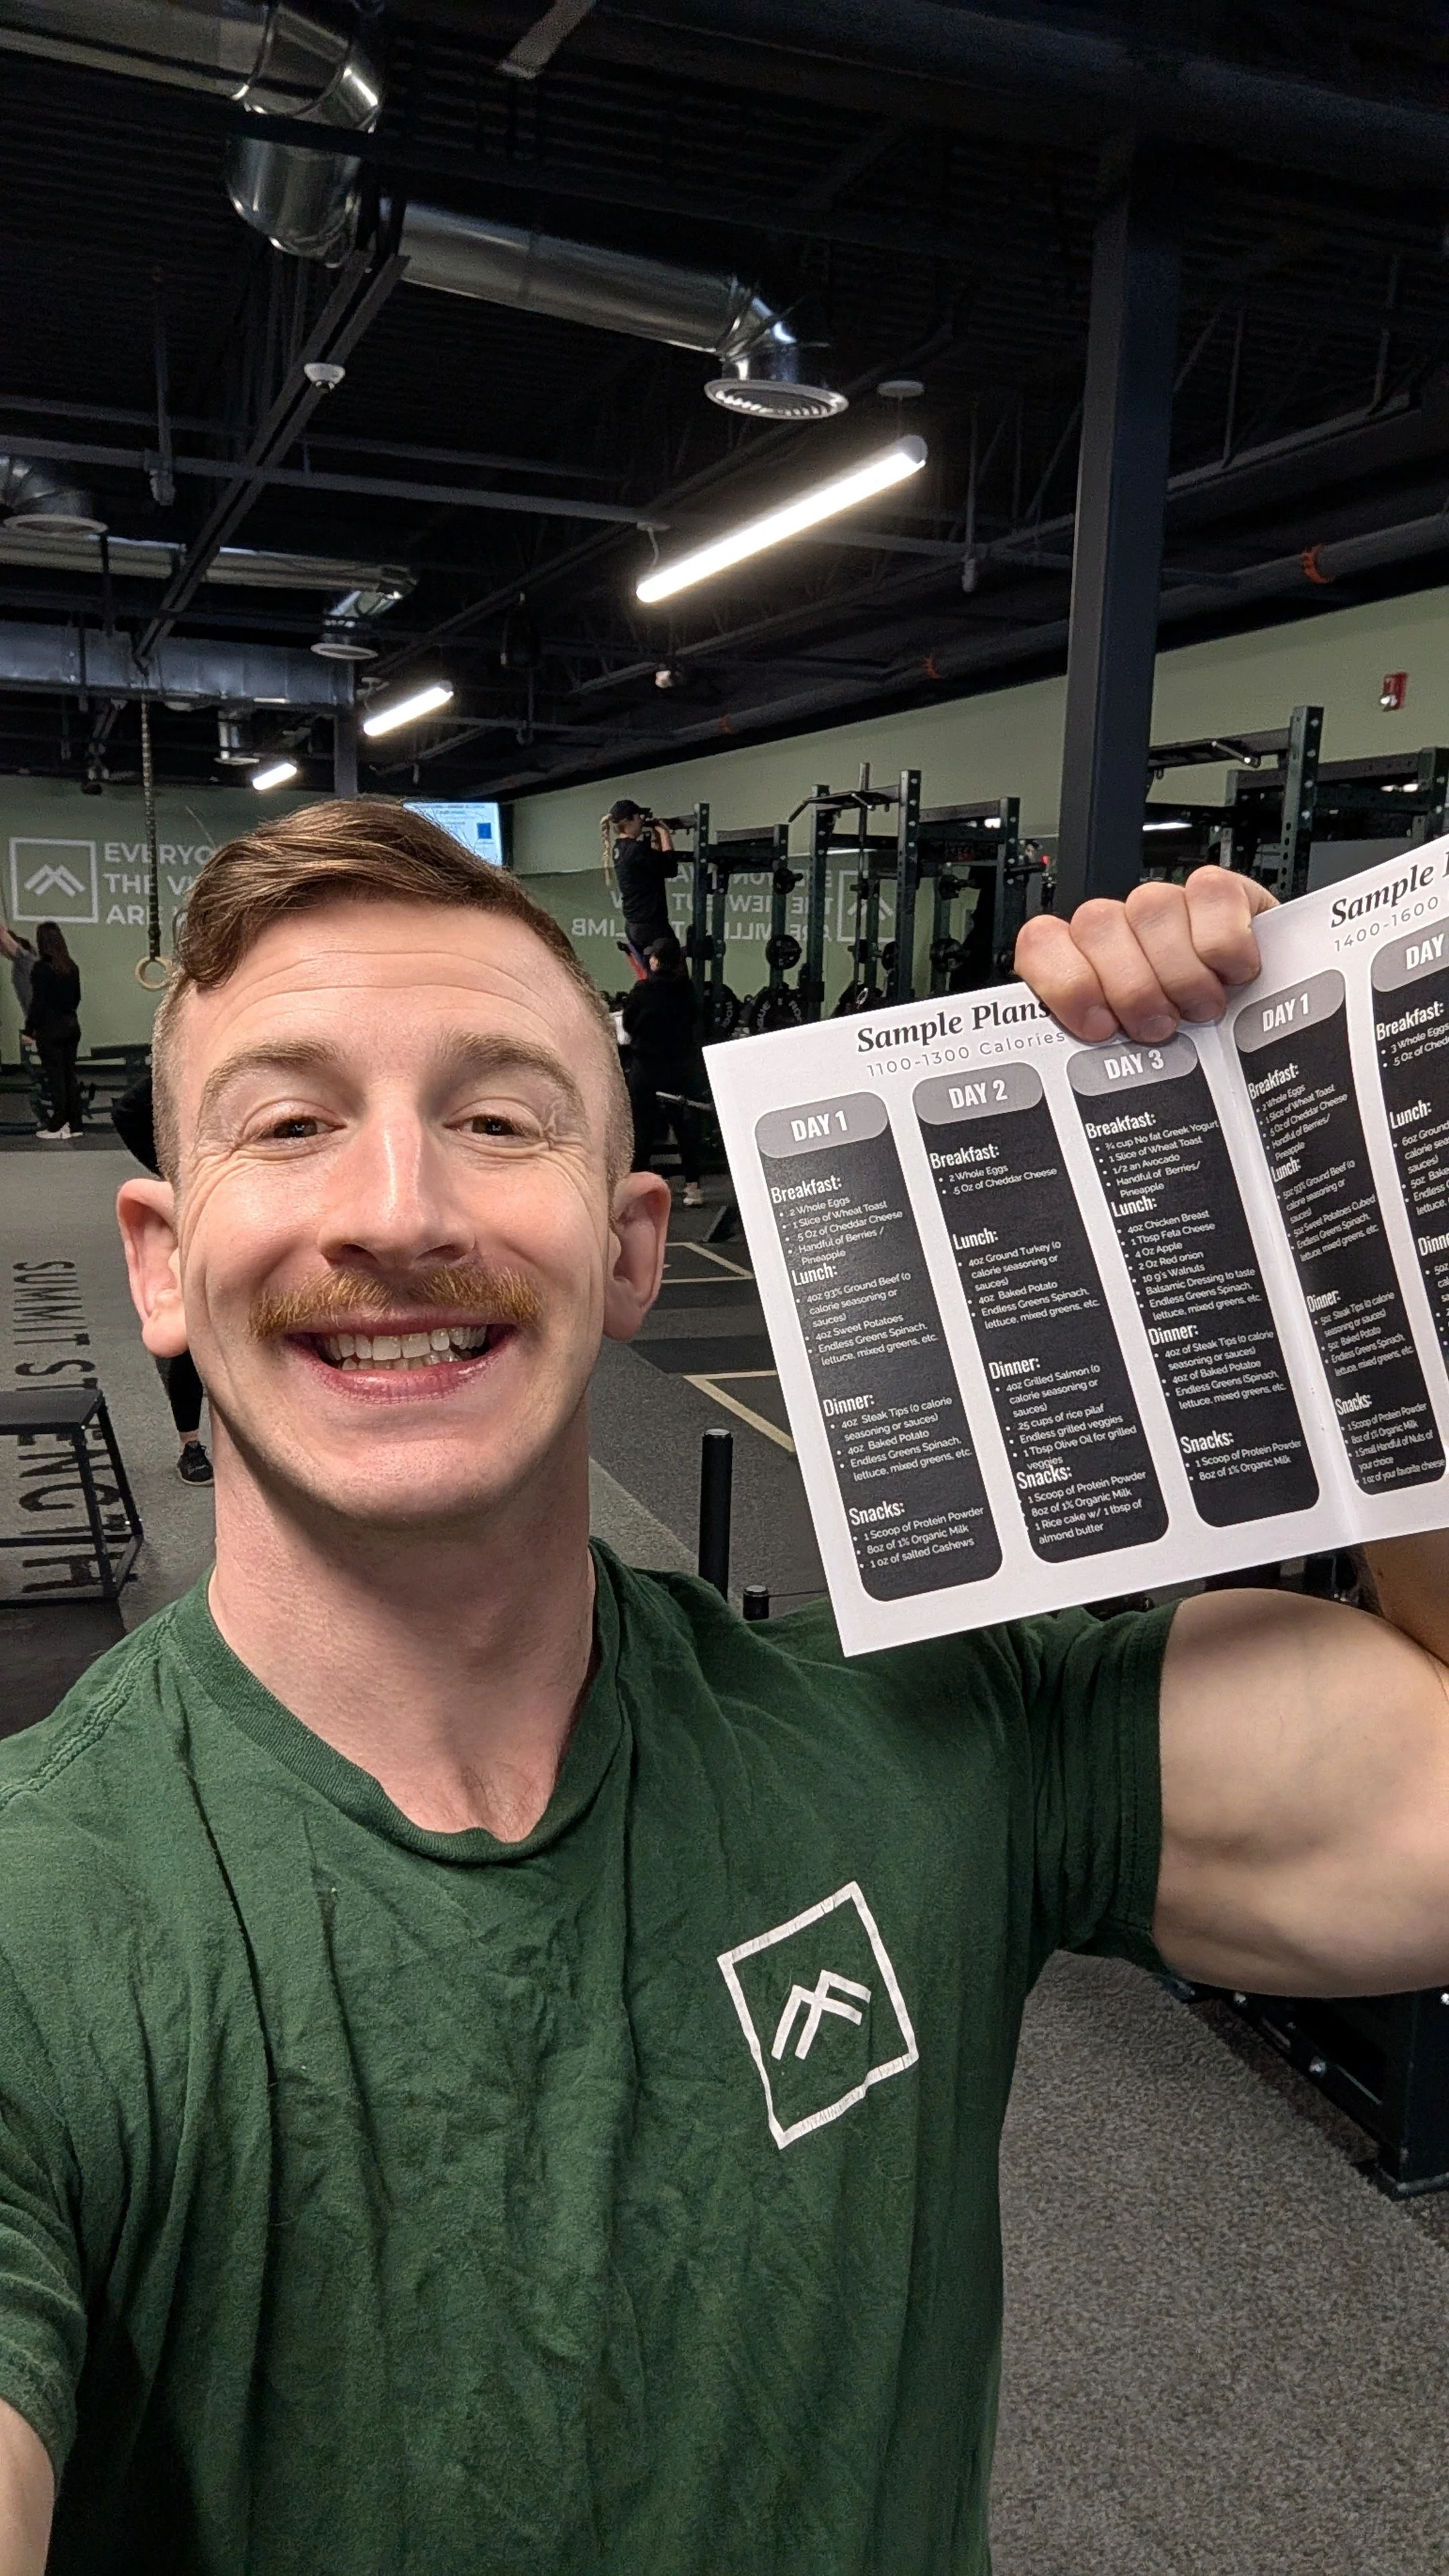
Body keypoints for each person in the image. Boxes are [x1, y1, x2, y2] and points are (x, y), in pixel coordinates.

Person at [2, 814, 1449, 2575]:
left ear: (628, 1248)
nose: (397, 1209)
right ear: (158, 1258)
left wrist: (1342, 1149)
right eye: (294, 1123)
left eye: (497, 1118)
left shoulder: (922, 1740)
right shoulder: (37, 1925)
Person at [111, 1069, 214, 1486]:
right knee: (189, 1335)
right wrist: (179, 1175)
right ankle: (190, 1444)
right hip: (197, 1207)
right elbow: (128, 1112)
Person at [621, 930, 708, 1207]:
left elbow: (628, 1025)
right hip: (679, 1070)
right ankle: (693, 1187)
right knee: (683, 1127)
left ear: (656, 962)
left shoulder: (643, 991)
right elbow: (694, 1021)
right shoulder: (687, 992)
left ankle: (638, 1192)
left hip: (647, 1070)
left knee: (642, 1128)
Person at [22, 919, 83, 1140]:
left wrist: (29, 1031)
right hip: (71, 1026)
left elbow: (38, 1002)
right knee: (69, 1076)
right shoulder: (71, 967)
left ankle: (57, 1125)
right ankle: (75, 1125)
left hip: (51, 1030)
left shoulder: (42, 968)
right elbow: (77, 998)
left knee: (56, 1078)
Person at [604, 795, 676, 968]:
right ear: (628, 820)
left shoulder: (619, 849)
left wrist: (655, 839)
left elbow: (652, 864)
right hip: (652, 926)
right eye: (638, 818)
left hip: (635, 927)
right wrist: (664, 833)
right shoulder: (635, 850)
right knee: (673, 974)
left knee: (654, 978)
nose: (641, 822)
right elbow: (670, 868)